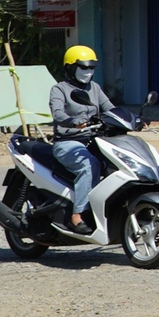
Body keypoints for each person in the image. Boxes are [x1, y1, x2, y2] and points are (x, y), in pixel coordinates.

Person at [49, 45, 116, 234]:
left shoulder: (94, 88)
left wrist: (132, 118)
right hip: (67, 142)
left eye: (92, 68)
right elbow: (58, 114)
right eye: (83, 67)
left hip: (93, 140)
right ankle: (77, 215)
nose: (88, 72)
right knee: (90, 165)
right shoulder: (59, 89)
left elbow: (109, 108)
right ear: (71, 67)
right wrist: (73, 121)